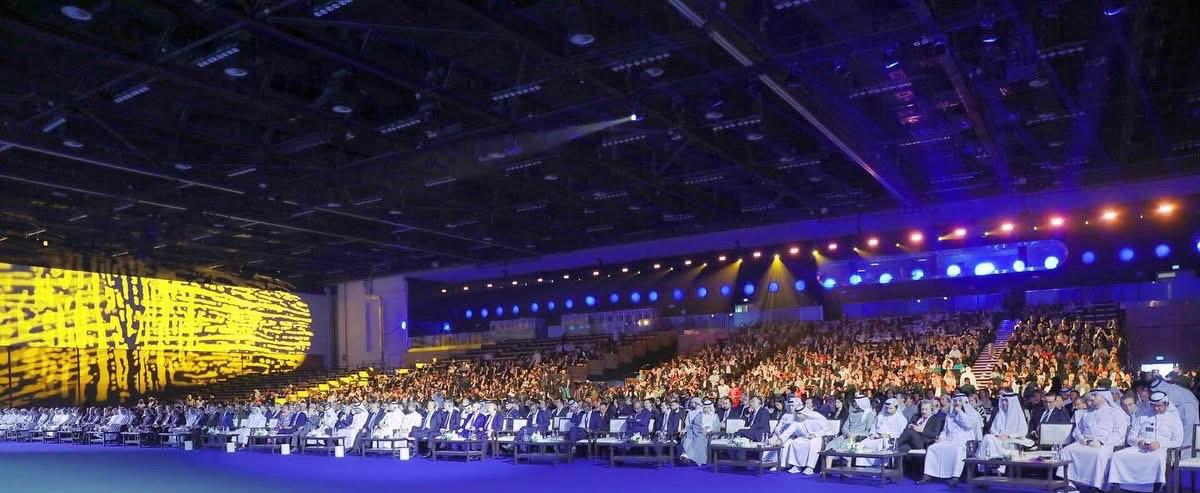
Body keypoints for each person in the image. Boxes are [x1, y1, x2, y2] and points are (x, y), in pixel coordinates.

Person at [1108, 391, 1185, 492]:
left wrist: (1160, 444)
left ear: (1166, 404)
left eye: (1159, 406)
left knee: (1157, 458)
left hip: (1162, 450)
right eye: (1153, 406)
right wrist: (1139, 442)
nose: (1156, 408)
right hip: (1139, 448)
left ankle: (1155, 488)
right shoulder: (1143, 416)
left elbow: (1178, 441)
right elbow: (1131, 437)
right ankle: (1120, 487)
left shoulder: (1174, 419)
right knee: (1117, 455)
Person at [1058, 391, 1119, 490]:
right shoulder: (1087, 413)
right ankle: (1069, 483)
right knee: (1066, 451)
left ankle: (1097, 486)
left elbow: (1118, 432)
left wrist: (1101, 442)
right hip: (1084, 442)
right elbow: (1077, 430)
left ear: (1103, 397)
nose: (1092, 398)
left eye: (1095, 396)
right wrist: (1081, 439)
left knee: (1099, 454)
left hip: (1103, 443)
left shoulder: (1114, 412)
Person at [920, 393, 983, 486]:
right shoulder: (950, 415)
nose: (957, 403)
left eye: (960, 401)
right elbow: (945, 431)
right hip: (949, 440)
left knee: (958, 450)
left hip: (964, 442)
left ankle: (955, 477)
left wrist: (960, 412)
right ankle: (928, 475)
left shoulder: (972, 413)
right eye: (956, 401)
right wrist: (940, 438)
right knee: (932, 448)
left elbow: (968, 425)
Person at [778, 400, 832, 475]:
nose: (798, 415)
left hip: (819, 437)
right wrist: (780, 439)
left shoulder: (816, 417)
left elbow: (827, 428)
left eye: (800, 414)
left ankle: (810, 467)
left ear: (804, 413)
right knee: (795, 442)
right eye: (797, 414)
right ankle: (796, 466)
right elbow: (788, 431)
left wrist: (815, 434)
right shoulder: (797, 421)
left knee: (814, 442)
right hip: (805, 438)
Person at [1150, 374, 1198, 449]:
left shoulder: (1166, 394)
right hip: (1187, 414)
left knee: (1187, 443)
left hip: (1187, 416)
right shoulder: (1172, 390)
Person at [979, 392, 1031, 459]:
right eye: (1003, 400)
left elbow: (1023, 431)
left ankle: (1001, 457)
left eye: (1006, 401)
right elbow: (992, 428)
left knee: (990, 439)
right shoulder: (1000, 413)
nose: (1004, 403)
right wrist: (997, 435)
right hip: (999, 438)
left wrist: (1008, 436)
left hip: (1012, 440)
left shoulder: (1018, 414)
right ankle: (986, 459)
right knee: (987, 437)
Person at [679, 398, 714, 465]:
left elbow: (714, 427)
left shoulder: (714, 416)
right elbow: (693, 424)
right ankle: (686, 454)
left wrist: (707, 430)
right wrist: (686, 429)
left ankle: (688, 455)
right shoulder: (700, 415)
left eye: (707, 407)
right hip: (696, 430)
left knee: (698, 437)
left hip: (706, 433)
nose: (706, 409)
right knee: (689, 435)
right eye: (705, 407)